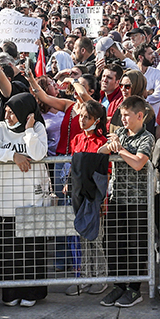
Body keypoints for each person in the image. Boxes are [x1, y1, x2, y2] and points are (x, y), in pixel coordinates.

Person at [0, 92, 49, 307]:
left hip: (32, 200)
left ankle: (31, 293)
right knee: (10, 249)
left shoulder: (38, 128)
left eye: (12, 112)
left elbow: (38, 153)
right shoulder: (1, 128)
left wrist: (29, 129)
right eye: (6, 111)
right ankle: (11, 293)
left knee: (31, 250)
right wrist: (13, 156)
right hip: (8, 200)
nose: (7, 115)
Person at [98, 96, 155, 308]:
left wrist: (120, 150)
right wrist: (111, 146)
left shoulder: (146, 138)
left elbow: (139, 162)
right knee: (113, 243)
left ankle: (134, 288)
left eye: (126, 115)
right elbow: (101, 150)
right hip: (118, 198)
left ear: (139, 116)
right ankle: (118, 286)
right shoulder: (120, 133)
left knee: (136, 245)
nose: (122, 119)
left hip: (139, 201)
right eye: (121, 115)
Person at [65, 100, 110, 297]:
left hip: (96, 197)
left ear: (96, 120)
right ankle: (84, 277)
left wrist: (103, 198)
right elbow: (73, 165)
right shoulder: (76, 139)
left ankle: (100, 277)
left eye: (87, 117)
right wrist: (68, 181)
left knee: (96, 239)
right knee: (81, 238)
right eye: (81, 116)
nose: (82, 120)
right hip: (78, 195)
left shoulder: (103, 142)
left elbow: (106, 172)